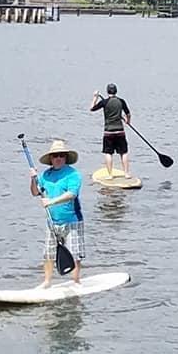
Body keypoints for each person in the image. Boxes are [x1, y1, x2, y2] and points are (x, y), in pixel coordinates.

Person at [29, 138, 84, 288]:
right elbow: (35, 192)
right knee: (48, 253)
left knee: (75, 252)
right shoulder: (45, 175)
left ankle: (76, 281)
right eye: (55, 156)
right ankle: (47, 282)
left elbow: (71, 194)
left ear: (65, 158)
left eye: (61, 155)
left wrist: (51, 202)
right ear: (51, 159)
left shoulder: (73, 175)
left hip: (72, 220)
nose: (58, 158)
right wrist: (33, 178)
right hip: (52, 221)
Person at [89, 83, 132, 178]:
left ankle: (110, 175)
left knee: (108, 153)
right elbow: (128, 114)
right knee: (123, 153)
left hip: (109, 132)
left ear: (107, 91)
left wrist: (95, 97)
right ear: (116, 91)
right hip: (120, 131)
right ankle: (126, 173)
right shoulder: (121, 101)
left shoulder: (104, 102)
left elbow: (92, 108)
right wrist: (127, 121)